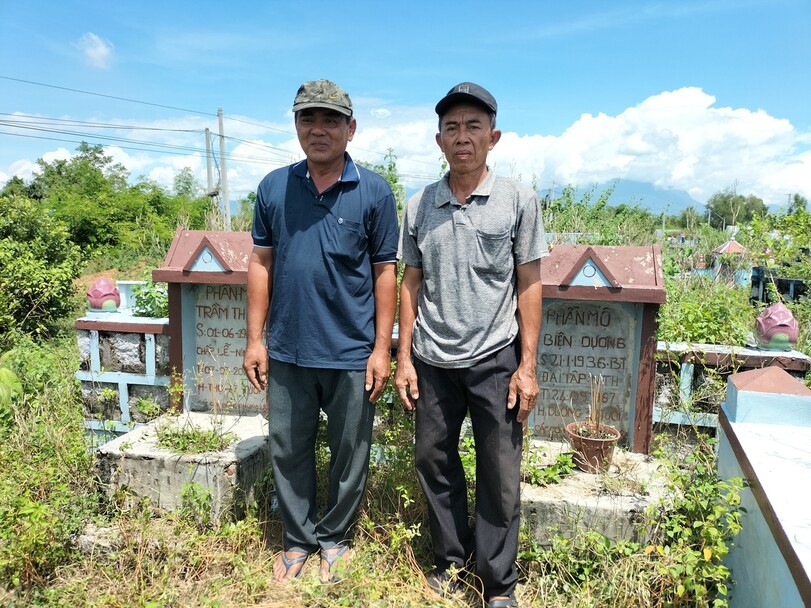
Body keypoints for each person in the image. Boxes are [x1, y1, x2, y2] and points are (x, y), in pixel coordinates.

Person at [395, 82, 547, 608]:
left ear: (494, 136)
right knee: (432, 460)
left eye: (474, 127)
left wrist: (527, 365)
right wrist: (403, 359)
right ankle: (452, 561)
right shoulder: (419, 206)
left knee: (500, 471)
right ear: (439, 140)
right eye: (453, 128)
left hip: (496, 358)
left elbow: (529, 284)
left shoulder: (517, 200)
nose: (463, 138)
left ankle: (498, 582)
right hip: (433, 359)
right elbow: (410, 284)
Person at [243, 79, 399, 584]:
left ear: (351, 130)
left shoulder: (374, 192)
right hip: (288, 347)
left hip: (352, 351)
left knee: (350, 450)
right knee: (288, 447)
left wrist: (382, 348)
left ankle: (335, 537)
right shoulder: (274, 187)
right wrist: (254, 338)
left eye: (331, 120)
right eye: (308, 119)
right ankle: (296, 539)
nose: (319, 129)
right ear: (296, 126)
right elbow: (261, 262)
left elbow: (384, 272)